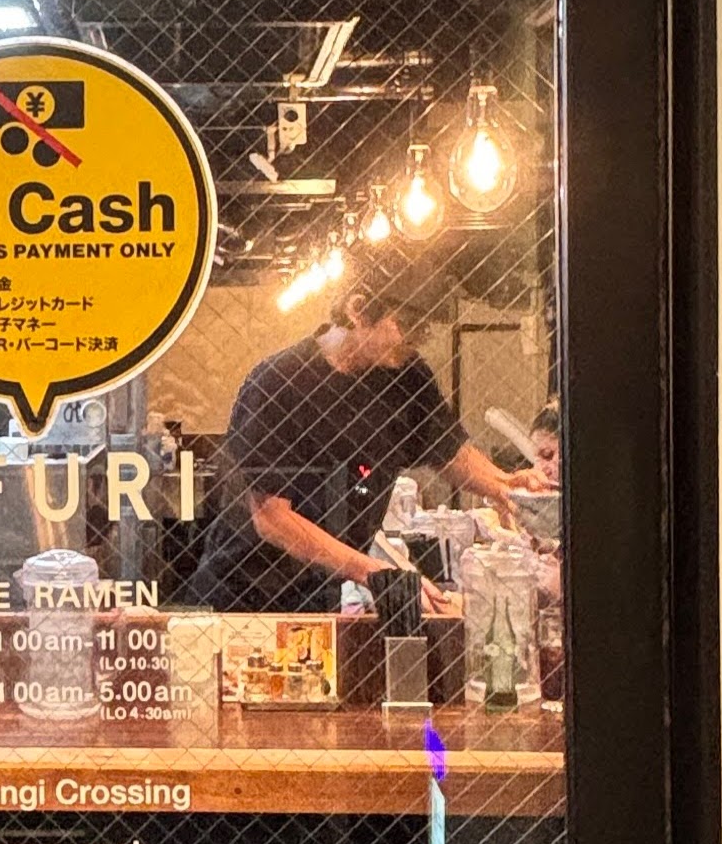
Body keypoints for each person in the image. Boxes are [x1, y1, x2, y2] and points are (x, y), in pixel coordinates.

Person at [188, 257, 538, 617]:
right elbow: (272, 519)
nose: (420, 336)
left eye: (427, 325)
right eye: (408, 322)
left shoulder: (407, 377)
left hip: (321, 590)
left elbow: (448, 452)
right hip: (242, 592)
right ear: (357, 309)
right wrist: (373, 572)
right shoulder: (278, 381)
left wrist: (506, 486)